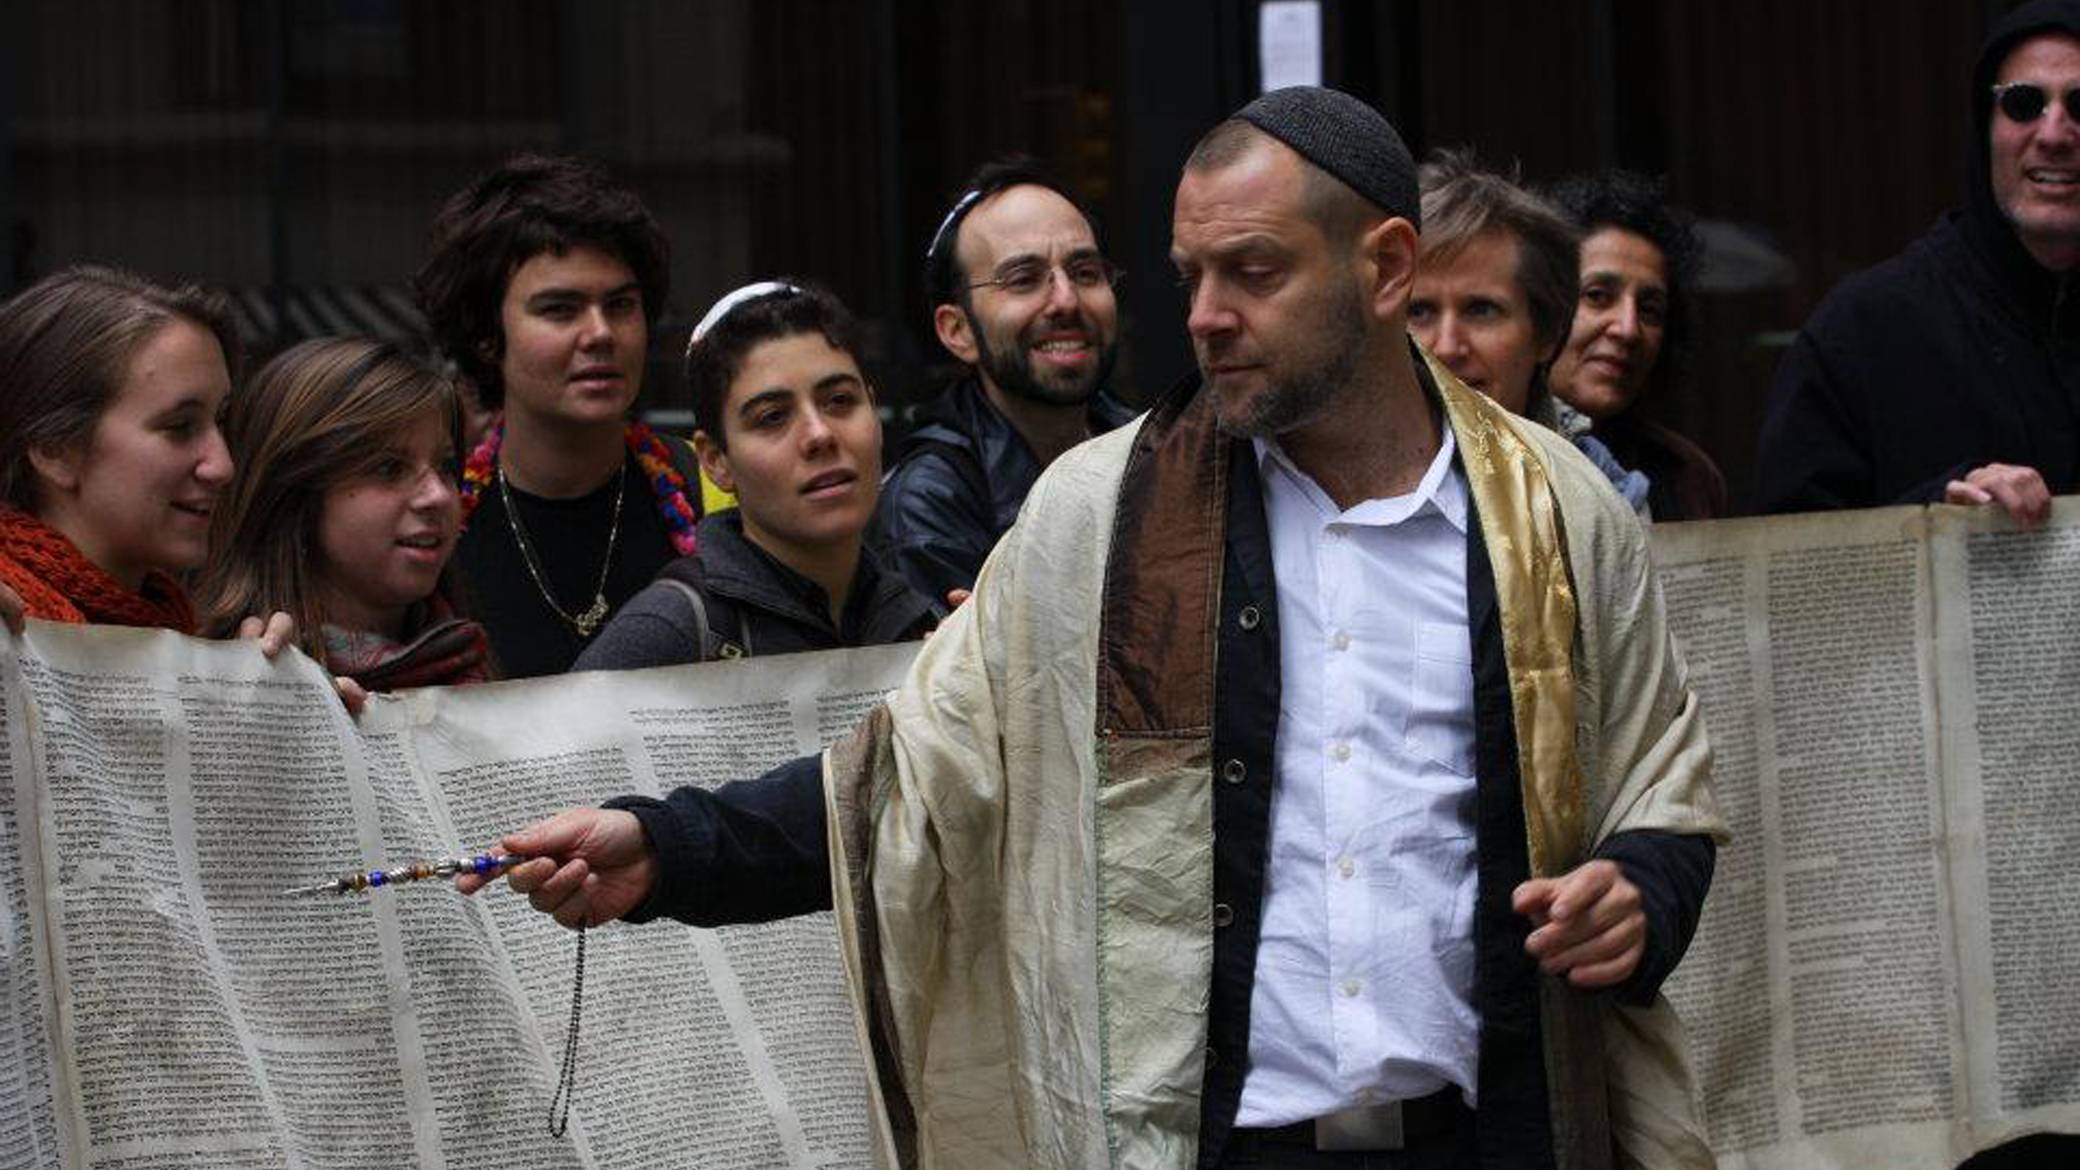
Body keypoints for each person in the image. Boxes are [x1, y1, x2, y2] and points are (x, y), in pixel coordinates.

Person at [470, 88, 1722, 1169]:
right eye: (1190, 277)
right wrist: (667, 848)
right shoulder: (1098, 516)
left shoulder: (1555, 510)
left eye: (1256, 271)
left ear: (1386, 268)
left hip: (1488, 1135)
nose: (1207, 316)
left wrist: (1640, 893)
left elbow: (1660, 783)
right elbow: (913, 778)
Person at [1755, 0, 2080, 526]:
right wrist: (1935, 517)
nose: (2055, 134)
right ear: (1984, 126)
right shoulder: (1864, 329)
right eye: (2024, 104)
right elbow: (1783, 556)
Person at [415, 153, 725, 678]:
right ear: (487, 337)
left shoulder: (716, 488)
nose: (600, 333)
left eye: (621, 305)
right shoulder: (432, 518)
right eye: (560, 309)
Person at [576, 282, 932, 669]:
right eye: (773, 417)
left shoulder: (920, 621)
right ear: (716, 461)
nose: (820, 434)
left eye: (840, 401)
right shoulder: (670, 632)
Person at [873, 158, 1136, 607]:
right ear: (958, 331)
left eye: (1085, 272)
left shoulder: (1155, 447)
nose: (1066, 300)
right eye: (1024, 280)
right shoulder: (933, 497)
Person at [0, 265, 289, 651]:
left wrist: (285, 699)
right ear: (54, 449)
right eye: (179, 426)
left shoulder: (185, 633)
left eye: (220, 421)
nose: (223, 467)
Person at [195, 337, 491, 692]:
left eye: (444, 466)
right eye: (388, 468)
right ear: (298, 493)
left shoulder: (472, 657)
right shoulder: (214, 670)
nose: (439, 495)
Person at [1408, 151, 1652, 516]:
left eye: (1481, 310)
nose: (1447, 346)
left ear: (1546, 336)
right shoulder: (1317, 473)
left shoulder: (1605, 503)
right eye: (1419, 311)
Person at [1547, 171, 1728, 521]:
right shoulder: (1486, 459)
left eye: (1650, 310)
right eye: (1597, 296)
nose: (1628, 329)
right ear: (1541, 305)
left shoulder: (1687, 475)